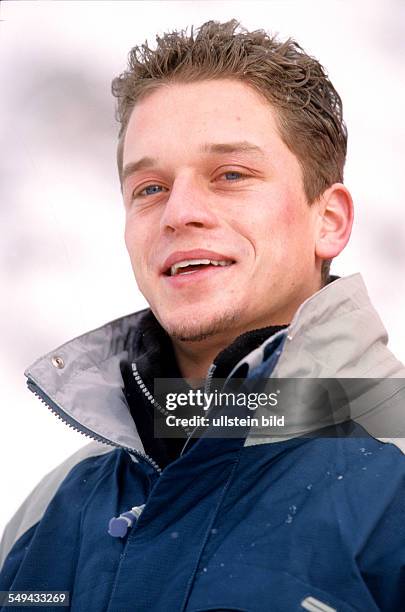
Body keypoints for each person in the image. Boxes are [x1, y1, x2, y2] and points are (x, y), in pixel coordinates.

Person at [0, 19, 404, 612]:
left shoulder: (393, 474)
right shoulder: (52, 508)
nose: (179, 212)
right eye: (150, 187)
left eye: (231, 175)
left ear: (330, 221)